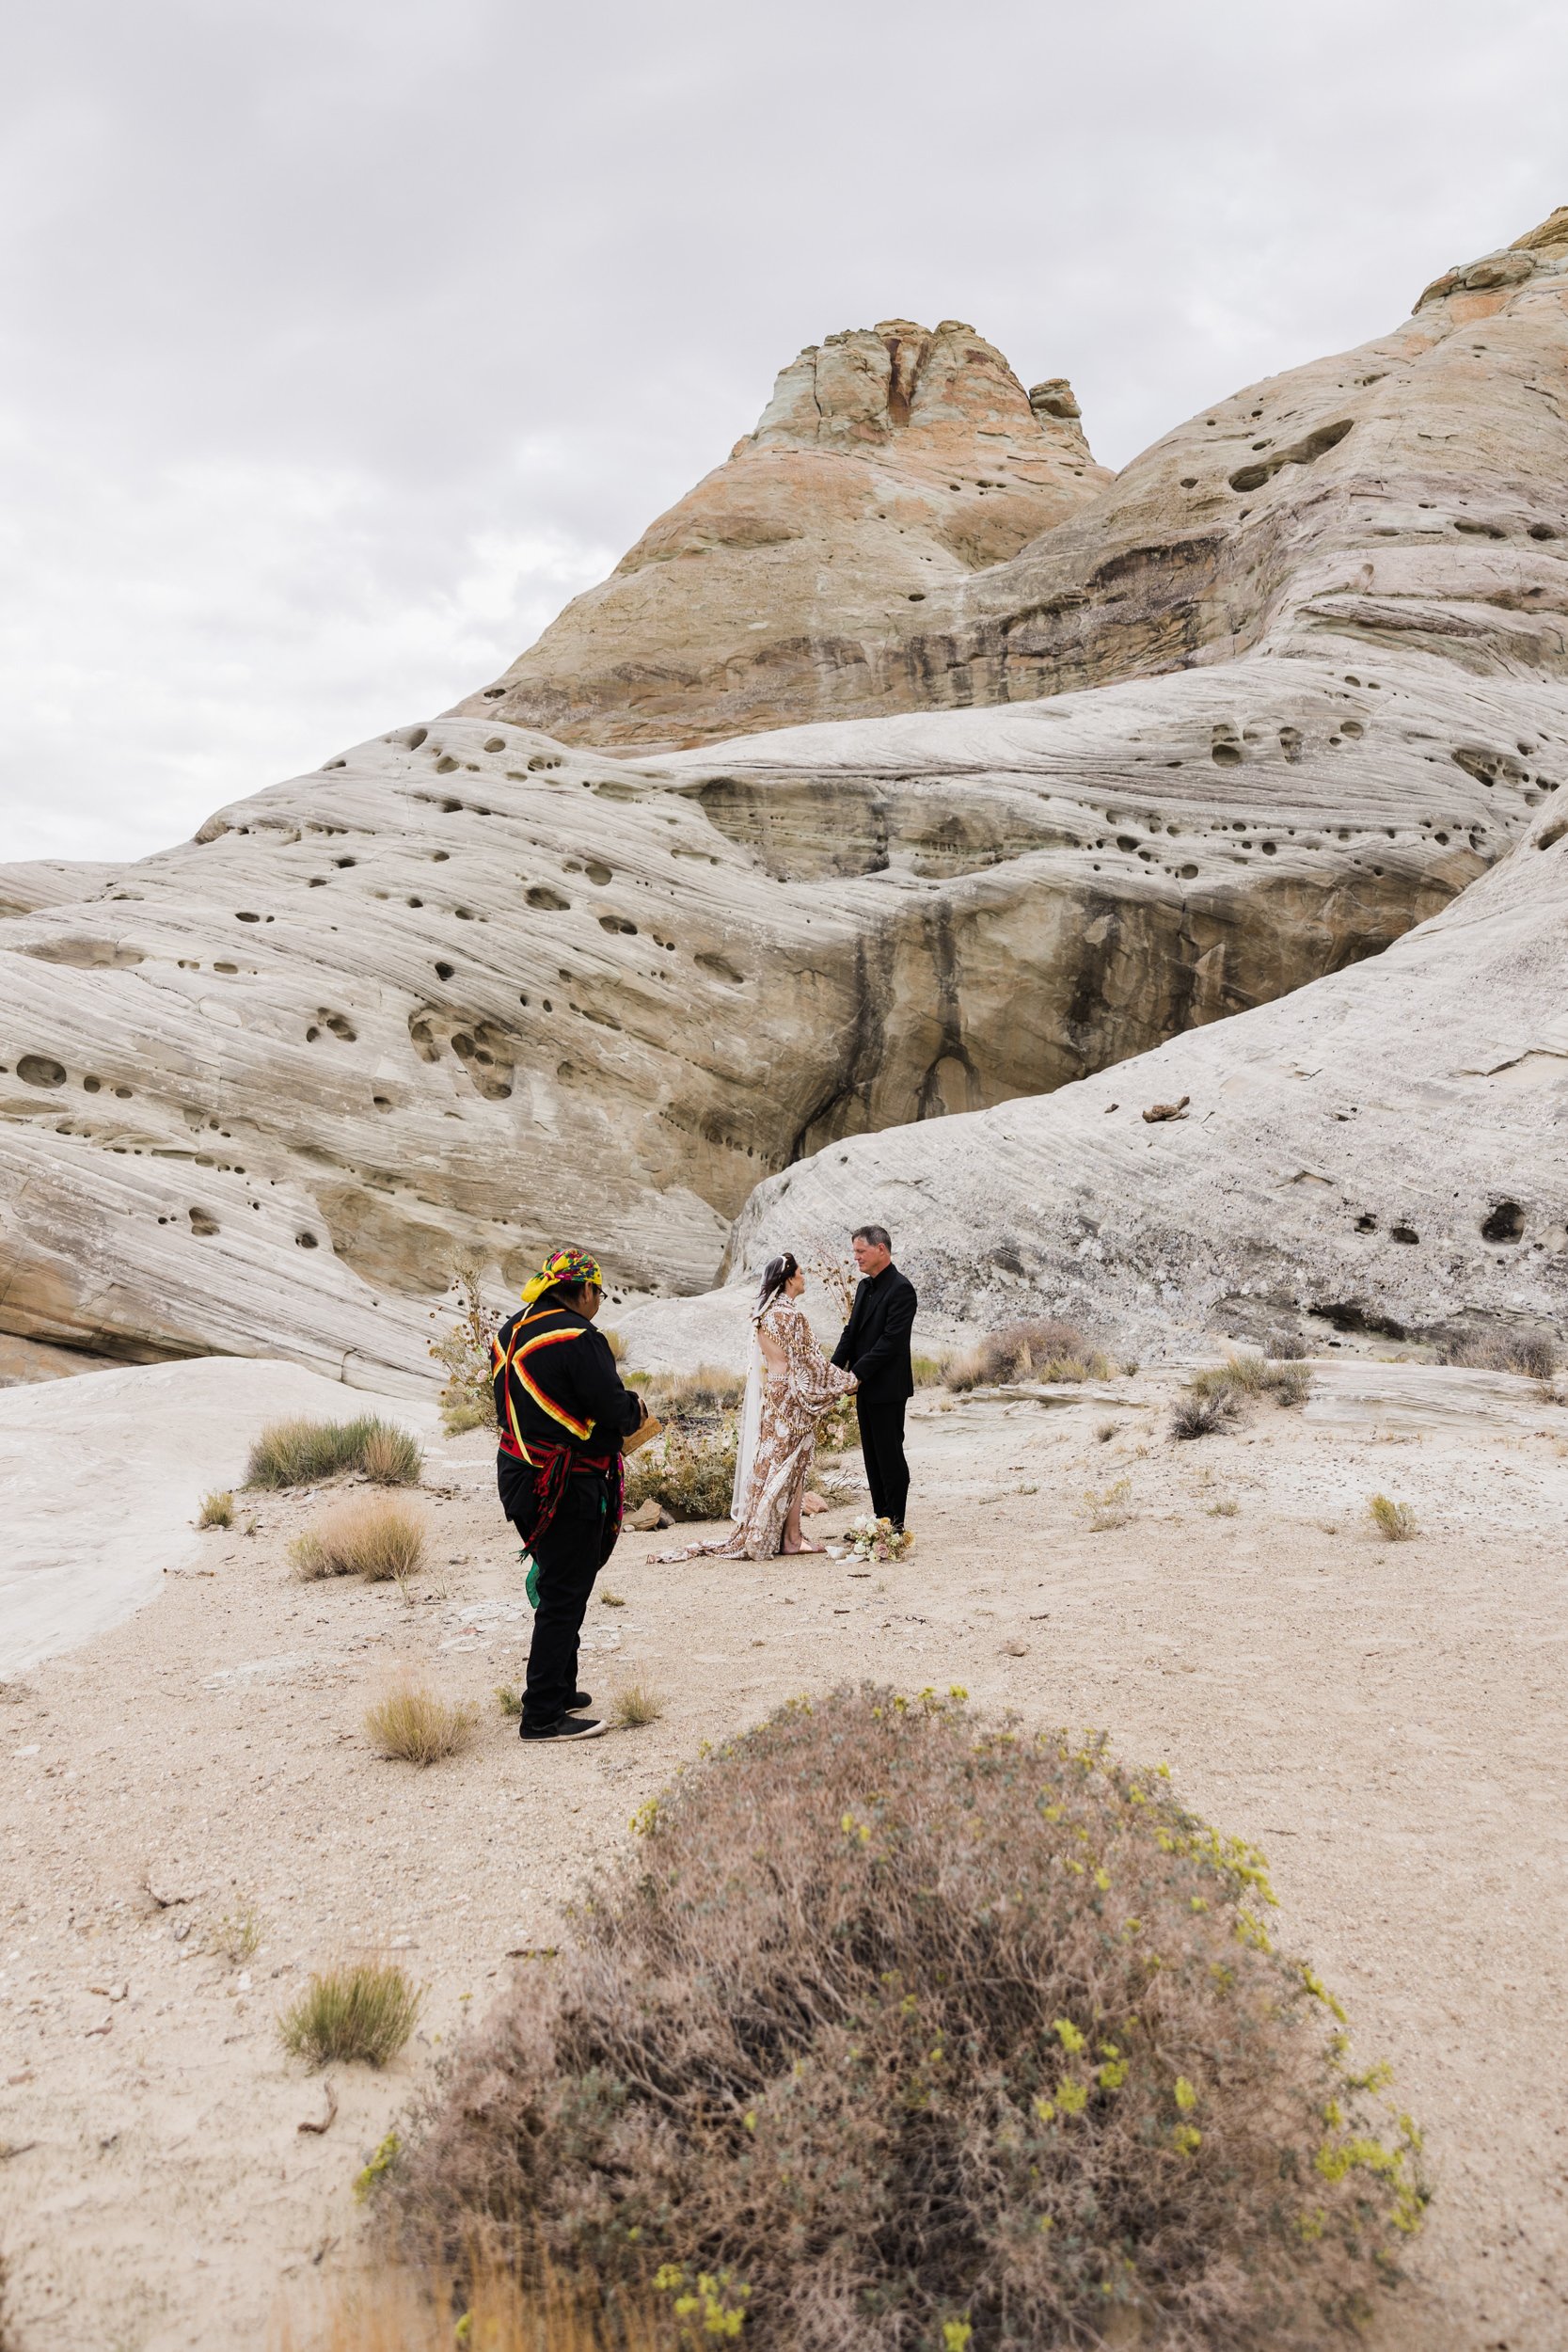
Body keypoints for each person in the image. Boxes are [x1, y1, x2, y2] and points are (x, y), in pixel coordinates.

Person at [492, 1246, 645, 1743]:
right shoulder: (580, 1337)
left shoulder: (508, 1332)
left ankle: (560, 1687)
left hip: (518, 1472)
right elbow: (612, 1411)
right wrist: (634, 1408)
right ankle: (541, 1714)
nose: (598, 1301)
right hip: (562, 1481)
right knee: (565, 1589)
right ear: (582, 1290)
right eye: (598, 1292)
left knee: (562, 1579)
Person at [660, 1252, 856, 1561]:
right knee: (793, 1467)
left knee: (776, 1464)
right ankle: (790, 1538)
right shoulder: (790, 1315)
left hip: (774, 1397)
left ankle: (780, 1533)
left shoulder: (763, 1314)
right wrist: (848, 1381)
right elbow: (807, 1364)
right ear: (789, 1278)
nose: (805, 1278)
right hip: (792, 1398)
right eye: (801, 1273)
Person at [832, 1224, 916, 1531]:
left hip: (888, 1388)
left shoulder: (902, 1289)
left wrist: (856, 1374)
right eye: (855, 1252)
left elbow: (890, 1342)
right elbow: (851, 1332)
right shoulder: (864, 1287)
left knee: (890, 1456)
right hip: (863, 1388)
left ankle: (895, 1522)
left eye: (860, 1251)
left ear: (881, 1249)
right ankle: (880, 1520)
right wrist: (833, 1370)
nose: (856, 1258)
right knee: (872, 1458)